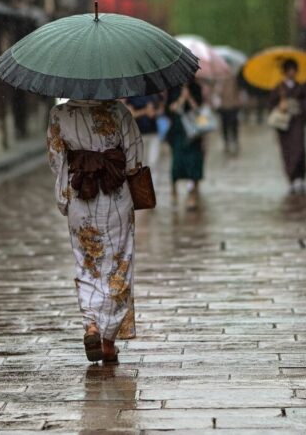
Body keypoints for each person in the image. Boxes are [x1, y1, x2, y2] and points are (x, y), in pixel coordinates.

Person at [47, 99, 143, 364]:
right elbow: (134, 157)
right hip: (115, 194)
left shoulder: (59, 113)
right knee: (118, 263)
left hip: (81, 192)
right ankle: (109, 341)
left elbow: (56, 158)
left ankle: (91, 326)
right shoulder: (117, 111)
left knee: (87, 262)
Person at [269, 60, 306, 194]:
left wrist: (302, 107)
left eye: (294, 69)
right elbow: (271, 104)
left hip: (297, 122)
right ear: (286, 71)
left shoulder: (302, 87)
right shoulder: (279, 88)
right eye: (290, 70)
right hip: (285, 125)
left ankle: (301, 176)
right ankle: (291, 178)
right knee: (287, 151)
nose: (292, 72)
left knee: (299, 149)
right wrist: (280, 106)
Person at [166, 81, 205, 208]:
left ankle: (192, 193)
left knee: (193, 163)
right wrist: (182, 98)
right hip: (178, 133)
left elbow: (199, 110)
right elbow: (170, 110)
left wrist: (190, 98)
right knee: (177, 163)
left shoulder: (196, 87)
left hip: (193, 134)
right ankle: (174, 191)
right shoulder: (173, 88)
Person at [125, 92, 164, 166]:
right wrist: (145, 111)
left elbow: (161, 109)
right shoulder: (132, 96)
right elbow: (131, 114)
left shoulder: (154, 94)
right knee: (140, 163)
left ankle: (154, 177)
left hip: (153, 133)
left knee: (154, 162)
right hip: (138, 134)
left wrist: (154, 112)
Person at [214, 76, 243, 154]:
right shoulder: (219, 81)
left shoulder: (234, 80)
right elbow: (217, 93)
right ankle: (226, 141)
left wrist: (238, 101)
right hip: (223, 107)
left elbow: (238, 91)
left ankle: (234, 140)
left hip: (233, 106)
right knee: (224, 125)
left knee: (234, 124)